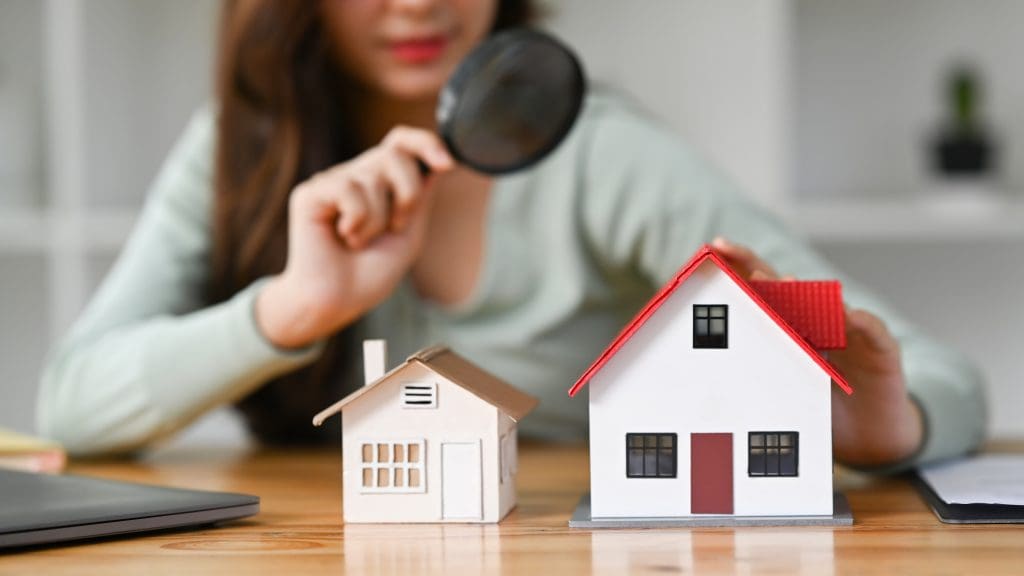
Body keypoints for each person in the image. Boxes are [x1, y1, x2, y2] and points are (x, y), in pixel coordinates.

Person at [37, 0, 984, 470]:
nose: (416, 1)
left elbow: (941, 376)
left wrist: (881, 428)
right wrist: (294, 309)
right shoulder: (237, 150)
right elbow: (74, 406)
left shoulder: (599, 155)